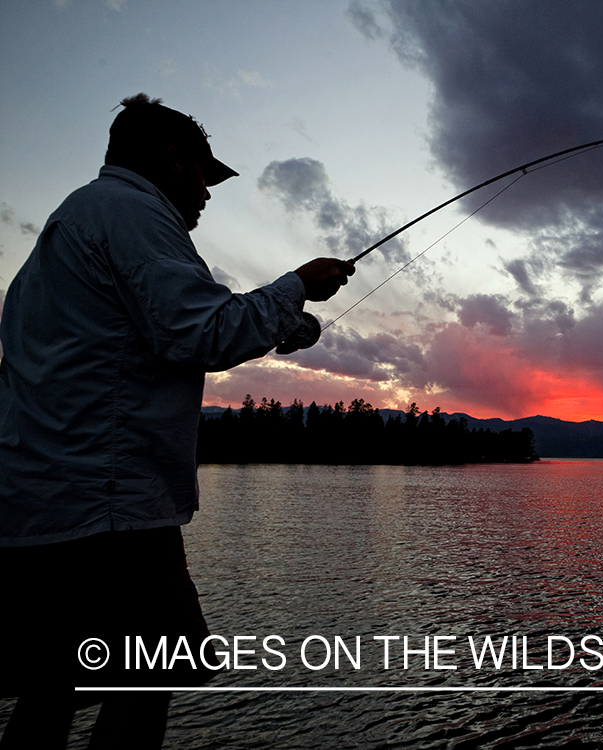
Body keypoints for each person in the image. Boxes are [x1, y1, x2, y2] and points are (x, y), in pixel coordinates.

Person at [0, 94, 354, 748]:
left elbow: (151, 334)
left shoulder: (72, 222)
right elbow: (201, 333)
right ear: (171, 160)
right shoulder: (134, 213)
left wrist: (285, 322)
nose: (207, 193)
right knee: (150, 668)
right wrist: (297, 284)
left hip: (42, 503)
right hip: (110, 507)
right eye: (203, 175)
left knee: (54, 682)